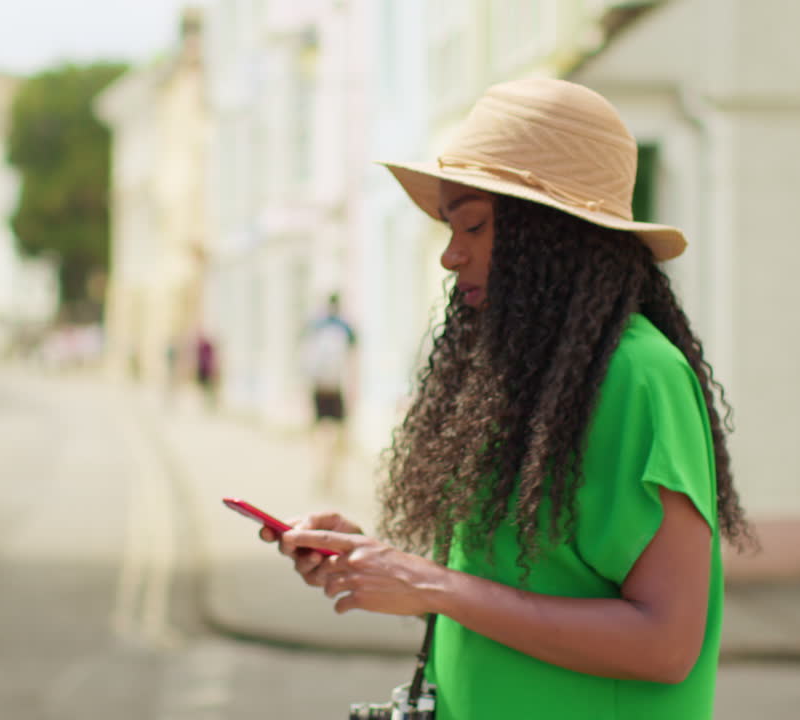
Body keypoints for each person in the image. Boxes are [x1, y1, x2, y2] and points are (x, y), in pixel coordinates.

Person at [260, 78, 754, 719]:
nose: (449, 255)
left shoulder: (639, 376)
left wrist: (433, 585)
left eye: (473, 225)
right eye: (448, 226)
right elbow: (515, 588)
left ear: (553, 236)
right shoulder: (529, 375)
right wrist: (383, 566)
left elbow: (665, 644)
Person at [299, 293, 356, 496]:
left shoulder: (316, 326)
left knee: (319, 434)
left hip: (318, 387)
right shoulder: (345, 329)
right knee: (339, 436)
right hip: (336, 388)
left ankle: (320, 473)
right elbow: (352, 363)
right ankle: (334, 477)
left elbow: (305, 360)